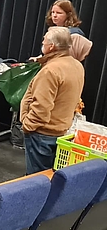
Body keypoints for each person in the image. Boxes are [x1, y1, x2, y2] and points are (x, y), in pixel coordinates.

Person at [20, 27, 84, 175]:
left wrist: (27, 125)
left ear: (52, 46)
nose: (42, 42)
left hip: (42, 134)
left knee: (37, 181)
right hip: (61, 131)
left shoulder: (51, 70)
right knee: (51, 179)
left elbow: (41, 108)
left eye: (44, 40)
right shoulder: (77, 65)